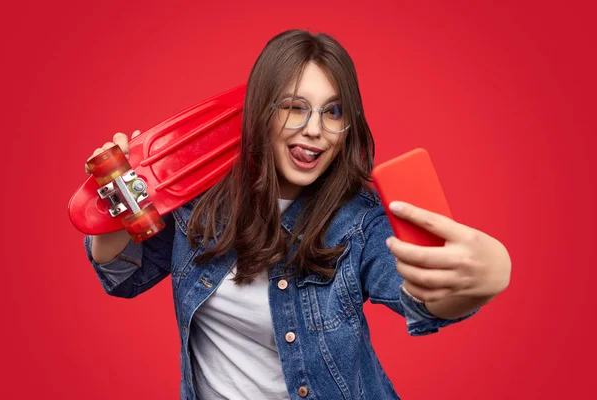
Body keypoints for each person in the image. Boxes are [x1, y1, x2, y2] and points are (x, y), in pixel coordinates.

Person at [84, 29, 511, 400]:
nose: (314, 129)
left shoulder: (360, 220)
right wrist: (113, 202)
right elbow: (123, 276)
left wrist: (486, 276)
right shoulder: (200, 198)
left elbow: (420, 296)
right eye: (294, 106)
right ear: (261, 113)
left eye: (333, 112)